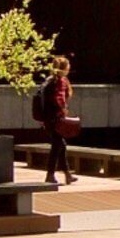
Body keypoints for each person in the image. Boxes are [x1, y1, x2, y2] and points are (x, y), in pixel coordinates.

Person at [29, 58, 79, 187]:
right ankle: (50, 174)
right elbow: (59, 98)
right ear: (64, 68)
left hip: (48, 118)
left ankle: (67, 174)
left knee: (60, 145)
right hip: (56, 119)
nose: (69, 69)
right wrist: (63, 109)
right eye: (68, 67)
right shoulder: (60, 81)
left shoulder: (49, 80)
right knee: (57, 146)